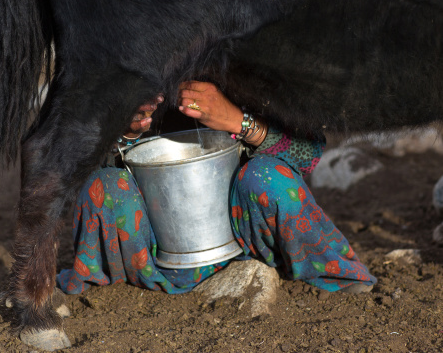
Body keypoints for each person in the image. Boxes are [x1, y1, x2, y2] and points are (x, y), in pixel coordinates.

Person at [57, 81, 377, 295]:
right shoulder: (124, 53)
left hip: (248, 241)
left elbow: (308, 154)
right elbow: (64, 167)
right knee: (104, 186)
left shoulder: (241, 53)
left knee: (268, 178)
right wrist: (123, 131)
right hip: (149, 255)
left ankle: (327, 269)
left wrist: (238, 120)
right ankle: (108, 283)